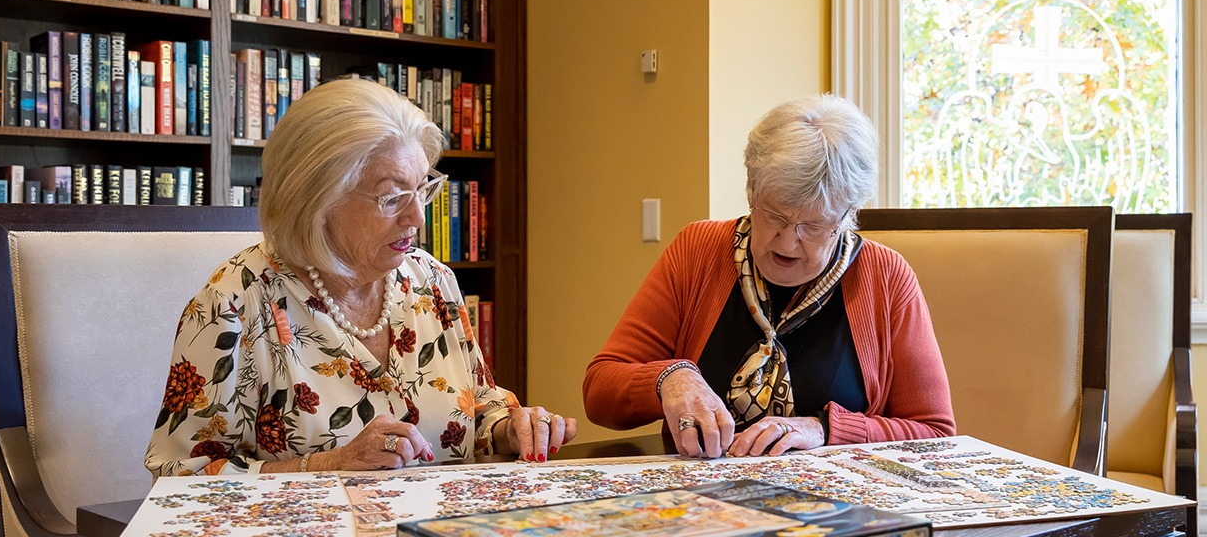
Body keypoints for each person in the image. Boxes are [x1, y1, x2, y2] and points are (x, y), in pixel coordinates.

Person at [146, 78, 575, 476]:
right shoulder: (233, 305)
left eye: (423, 188)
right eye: (391, 198)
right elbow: (181, 474)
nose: (417, 218)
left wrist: (509, 426)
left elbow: (477, 410)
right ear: (315, 198)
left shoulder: (432, 282)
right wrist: (332, 463)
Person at [584, 94, 955, 459]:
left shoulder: (885, 276)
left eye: (813, 225)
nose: (789, 243)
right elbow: (600, 393)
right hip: (701, 505)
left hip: (837, 510)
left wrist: (824, 429)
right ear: (751, 192)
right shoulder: (697, 250)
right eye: (775, 216)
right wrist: (669, 378)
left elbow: (935, 432)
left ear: (847, 215)